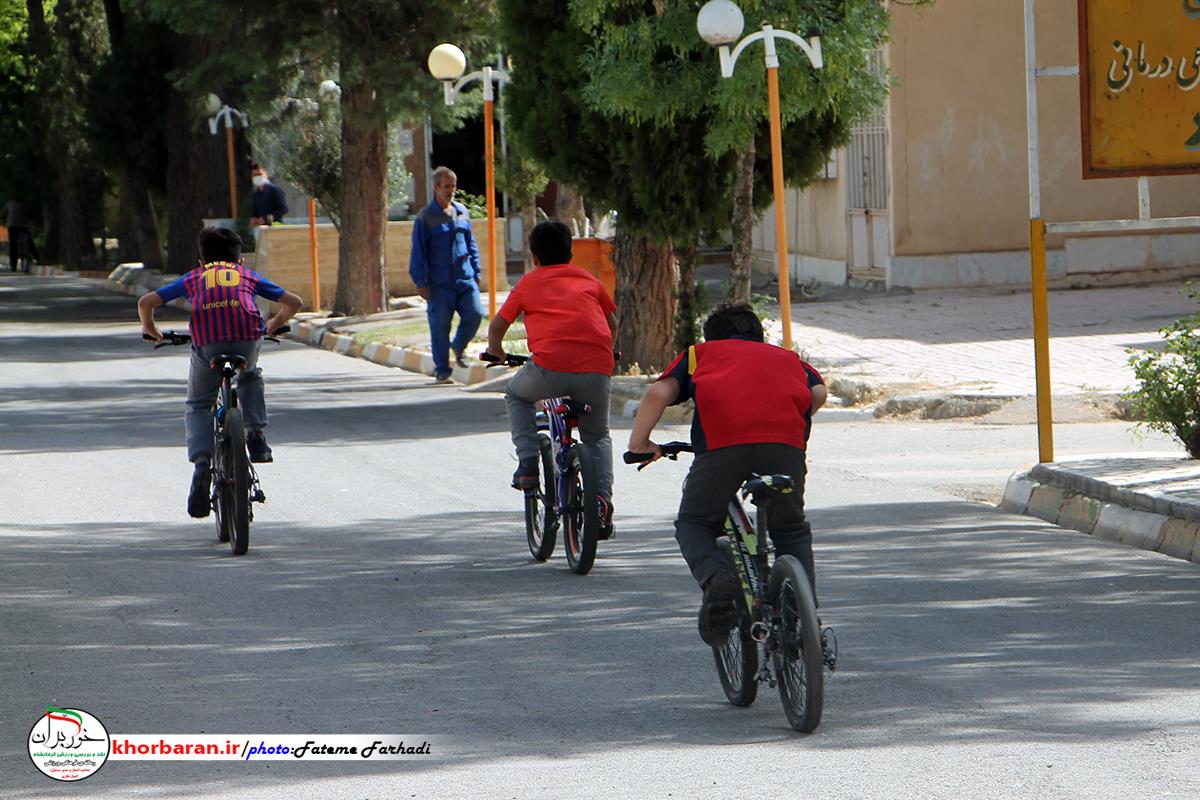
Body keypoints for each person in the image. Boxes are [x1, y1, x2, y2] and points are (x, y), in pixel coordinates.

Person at [626, 303, 827, 646]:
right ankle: (800, 620)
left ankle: (716, 577)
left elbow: (658, 392)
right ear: (758, 336)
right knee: (790, 529)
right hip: (785, 447)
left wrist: (640, 444)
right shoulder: (788, 358)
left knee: (695, 522)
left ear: (712, 337)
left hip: (723, 448)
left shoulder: (699, 355)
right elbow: (819, 392)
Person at [138, 227, 302, 518]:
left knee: (199, 403)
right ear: (240, 259)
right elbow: (294, 302)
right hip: (247, 336)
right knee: (250, 375)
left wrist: (153, 331)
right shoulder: (246, 275)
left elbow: (146, 302)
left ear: (202, 260)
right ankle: (256, 436)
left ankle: (202, 465)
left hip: (208, 342)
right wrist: (273, 324)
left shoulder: (195, 276)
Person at [486, 219, 618, 536]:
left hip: (549, 369)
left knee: (516, 396)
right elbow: (611, 322)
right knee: (597, 436)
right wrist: (606, 350)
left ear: (534, 256)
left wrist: (497, 352)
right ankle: (601, 502)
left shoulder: (529, 283)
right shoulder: (588, 279)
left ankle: (529, 464)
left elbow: (496, 327)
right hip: (596, 369)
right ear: (571, 254)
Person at [409, 166, 483, 383]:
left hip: (465, 279)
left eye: (453, 186)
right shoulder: (426, 217)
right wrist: (420, 281)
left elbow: (471, 244)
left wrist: (477, 271)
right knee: (440, 325)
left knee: (476, 313)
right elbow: (418, 252)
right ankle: (442, 369)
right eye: (446, 186)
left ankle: (458, 346)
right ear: (436, 187)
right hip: (439, 284)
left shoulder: (462, 212)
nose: (451, 190)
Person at [5, 195, 38, 270]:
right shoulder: (23, 205)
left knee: (13, 246)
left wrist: (5, 221)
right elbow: (30, 214)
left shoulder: (8, 204)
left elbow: (3, 214)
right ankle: (37, 258)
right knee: (30, 242)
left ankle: (13, 265)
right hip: (22, 227)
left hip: (11, 227)